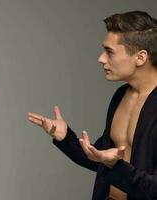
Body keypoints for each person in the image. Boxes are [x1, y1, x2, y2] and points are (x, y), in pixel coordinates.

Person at [28, 11, 157, 200]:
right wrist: (66, 138)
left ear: (140, 57)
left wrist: (116, 166)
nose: (101, 58)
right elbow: (101, 159)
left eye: (109, 52)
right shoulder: (121, 95)